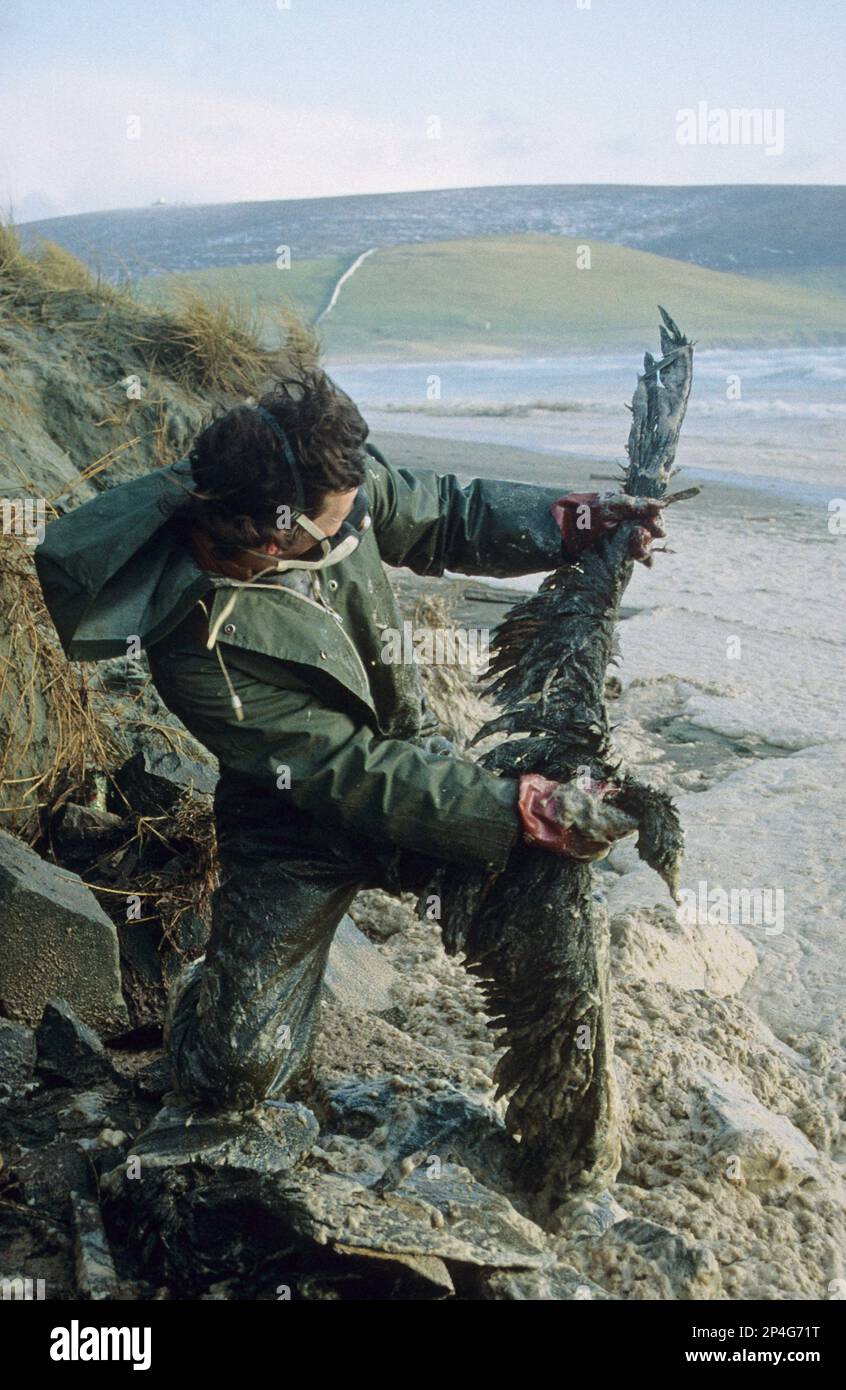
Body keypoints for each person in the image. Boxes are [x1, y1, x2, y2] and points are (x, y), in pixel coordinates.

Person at [37, 368, 665, 1114]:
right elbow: (342, 768)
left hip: (415, 755)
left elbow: (443, 515)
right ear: (268, 534)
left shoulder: (333, 490)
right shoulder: (188, 639)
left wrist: (568, 525)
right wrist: (517, 806)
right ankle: (215, 991)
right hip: (293, 821)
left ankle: (566, 1131)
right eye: (331, 526)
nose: (352, 525)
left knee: (538, 887)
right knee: (237, 1078)